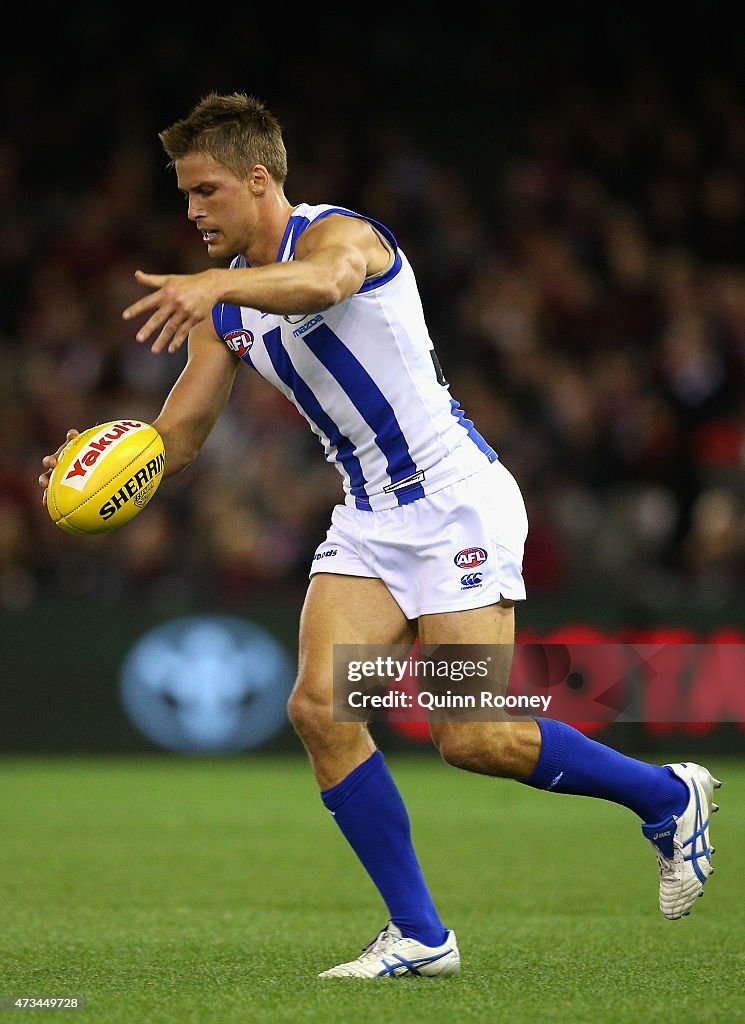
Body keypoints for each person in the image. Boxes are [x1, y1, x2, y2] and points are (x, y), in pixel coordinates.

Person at [39, 93, 721, 979]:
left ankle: (667, 796)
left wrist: (216, 285)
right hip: (368, 520)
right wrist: (101, 461)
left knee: (468, 735)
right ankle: (420, 935)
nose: (193, 211)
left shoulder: (344, 237)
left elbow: (323, 285)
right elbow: (180, 436)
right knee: (321, 709)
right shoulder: (227, 309)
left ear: (259, 180)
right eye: (185, 197)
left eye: (205, 191)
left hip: (456, 506)